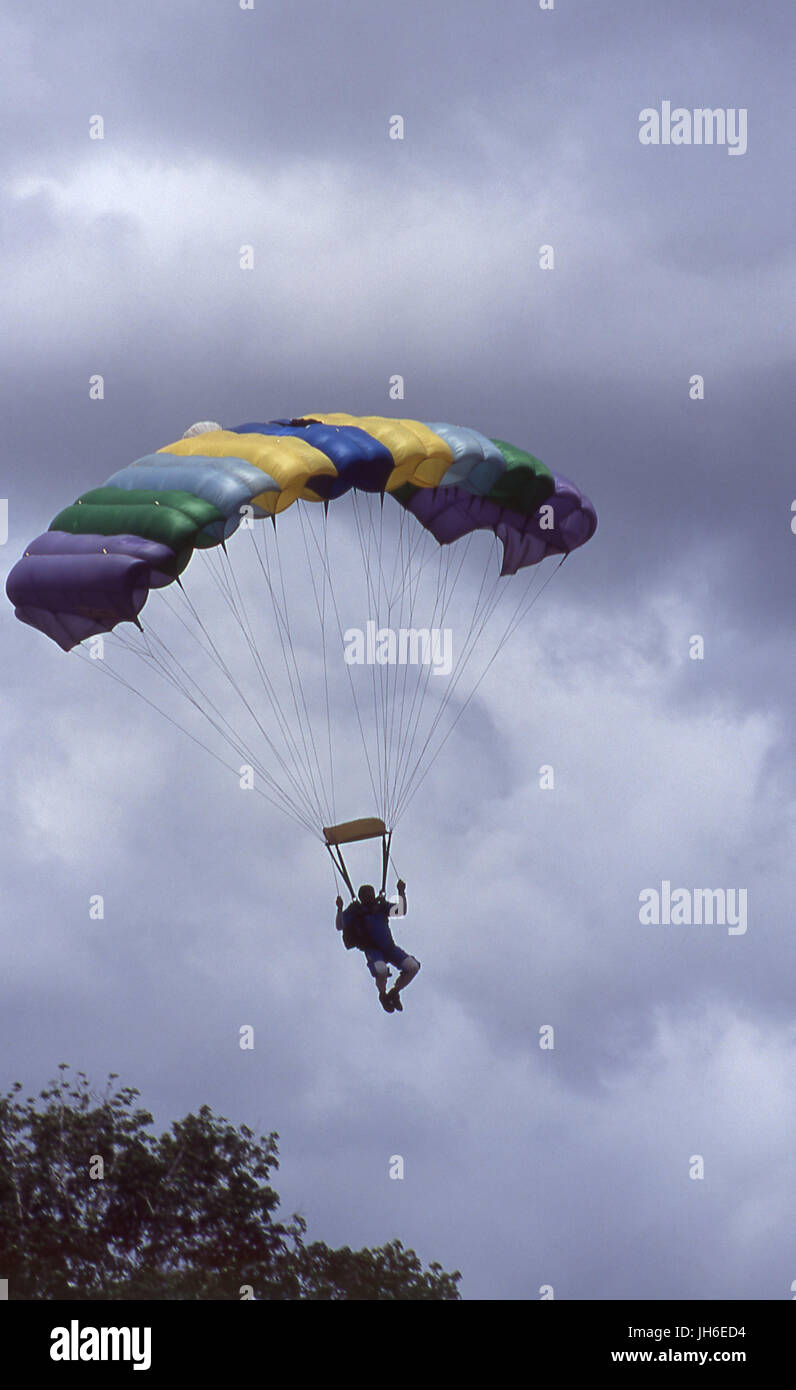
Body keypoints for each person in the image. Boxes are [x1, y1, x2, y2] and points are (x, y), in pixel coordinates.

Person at [335, 880, 420, 1013]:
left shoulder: (380, 906)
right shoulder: (356, 911)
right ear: (361, 897)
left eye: (370, 893)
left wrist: (401, 892)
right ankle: (383, 995)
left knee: (413, 967)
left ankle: (394, 992)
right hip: (373, 951)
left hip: (390, 948)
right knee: (381, 971)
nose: (369, 896)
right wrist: (339, 908)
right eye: (366, 894)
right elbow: (340, 926)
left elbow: (401, 911)